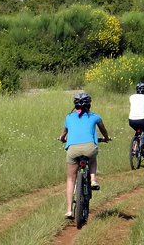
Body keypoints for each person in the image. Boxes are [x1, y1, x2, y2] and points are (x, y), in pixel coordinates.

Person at [59, 91, 110, 220]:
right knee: (92, 159)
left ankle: (69, 210)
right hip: (89, 148)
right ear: (89, 104)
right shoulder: (95, 117)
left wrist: (62, 138)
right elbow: (103, 131)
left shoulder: (68, 117)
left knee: (71, 179)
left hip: (73, 150)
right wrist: (106, 138)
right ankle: (93, 180)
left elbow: (63, 134)